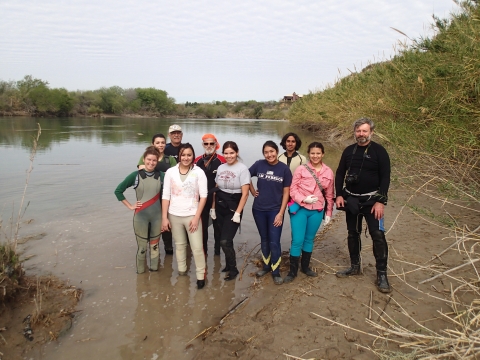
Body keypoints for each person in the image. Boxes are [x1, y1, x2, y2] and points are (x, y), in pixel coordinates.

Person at [335, 117, 392, 293]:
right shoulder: (348, 151)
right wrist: (338, 195)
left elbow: (385, 177)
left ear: (371, 132)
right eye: (358, 131)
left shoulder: (379, 151)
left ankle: (381, 274)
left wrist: (381, 201)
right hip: (351, 198)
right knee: (353, 233)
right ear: (354, 132)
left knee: (378, 235)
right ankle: (355, 266)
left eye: (364, 131)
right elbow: (339, 174)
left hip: (372, 200)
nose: (361, 134)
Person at [284, 142, 334, 283]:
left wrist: (328, 212)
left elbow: (330, 194)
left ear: (323, 154)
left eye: (318, 153)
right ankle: (292, 271)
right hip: (300, 209)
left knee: (309, 239)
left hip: (317, 211)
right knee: (297, 240)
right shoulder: (301, 169)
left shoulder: (329, 172)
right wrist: (303, 199)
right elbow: (293, 190)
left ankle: (305, 267)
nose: (315, 156)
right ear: (308, 154)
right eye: (313, 153)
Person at [161, 143, 208, 289]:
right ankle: (182, 271)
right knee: (180, 246)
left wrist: (196, 217)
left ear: (193, 156)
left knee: (197, 247)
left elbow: (204, 196)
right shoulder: (171, 172)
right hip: (174, 215)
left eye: (189, 155)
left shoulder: (199, 172)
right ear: (179, 156)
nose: (186, 158)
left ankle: (201, 276)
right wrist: (164, 217)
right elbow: (166, 195)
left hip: (191, 215)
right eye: (183, 155)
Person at [115, 146, 163, 273]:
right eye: (148, 160)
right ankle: (141, 277)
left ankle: (155, 276)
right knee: (142, 248)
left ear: (157, 161)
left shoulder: (162, 176)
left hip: (157, 217)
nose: (151, 163)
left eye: (154, 160)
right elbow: (118, 191)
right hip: (140, 217)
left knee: (155, 247)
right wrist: (130, 206)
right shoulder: (135, 176)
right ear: (143, 159)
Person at [249, 141, 292, 285]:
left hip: (275, 210)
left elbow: (286, 192)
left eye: (272, 151)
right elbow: (245, 176)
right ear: (263, 154)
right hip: (258, 209)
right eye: (266, 152)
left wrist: (281, 213)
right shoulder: (259, 164)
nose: (269, 155)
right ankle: (266, 267)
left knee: (274, 241)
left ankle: (276, 271)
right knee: (264, 239)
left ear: (277, 151)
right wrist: (253, 191)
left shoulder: (284, 169)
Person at [211, 141, 250, 281]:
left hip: (234, 207)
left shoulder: (242, 169)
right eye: (226, 153)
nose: (229, 156)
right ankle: (227, 265)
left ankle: (233, 270)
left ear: (237, 152)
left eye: (231, 153)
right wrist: (213, 208)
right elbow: (216, 188)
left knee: (225, 240)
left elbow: (245, 194)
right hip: (220, 206)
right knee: (224, 238)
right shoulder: (221, 167)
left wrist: (238, 213)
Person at [138, 133, 176, 255]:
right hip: (150, 197)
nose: (160, 145)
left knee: (166, 226)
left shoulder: (170, 159)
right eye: (157, 142)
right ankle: (153, 254)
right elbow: (141, 171)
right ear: (152, 144)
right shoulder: (146, 157)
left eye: (163, 142)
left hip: (166, 196)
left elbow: (175, 177)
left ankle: (169, 253)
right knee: (150, 226)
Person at [194, 133, 226, 255]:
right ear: (202, 145)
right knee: (202, 229)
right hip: (201, 200)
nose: (208, 146)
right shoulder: (197, 160)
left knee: (218, 229)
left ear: (216, 144)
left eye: (211, 143)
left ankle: (217, 253)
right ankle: (204, 253)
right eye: (206, 143)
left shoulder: (222, 160)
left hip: (217, 200)